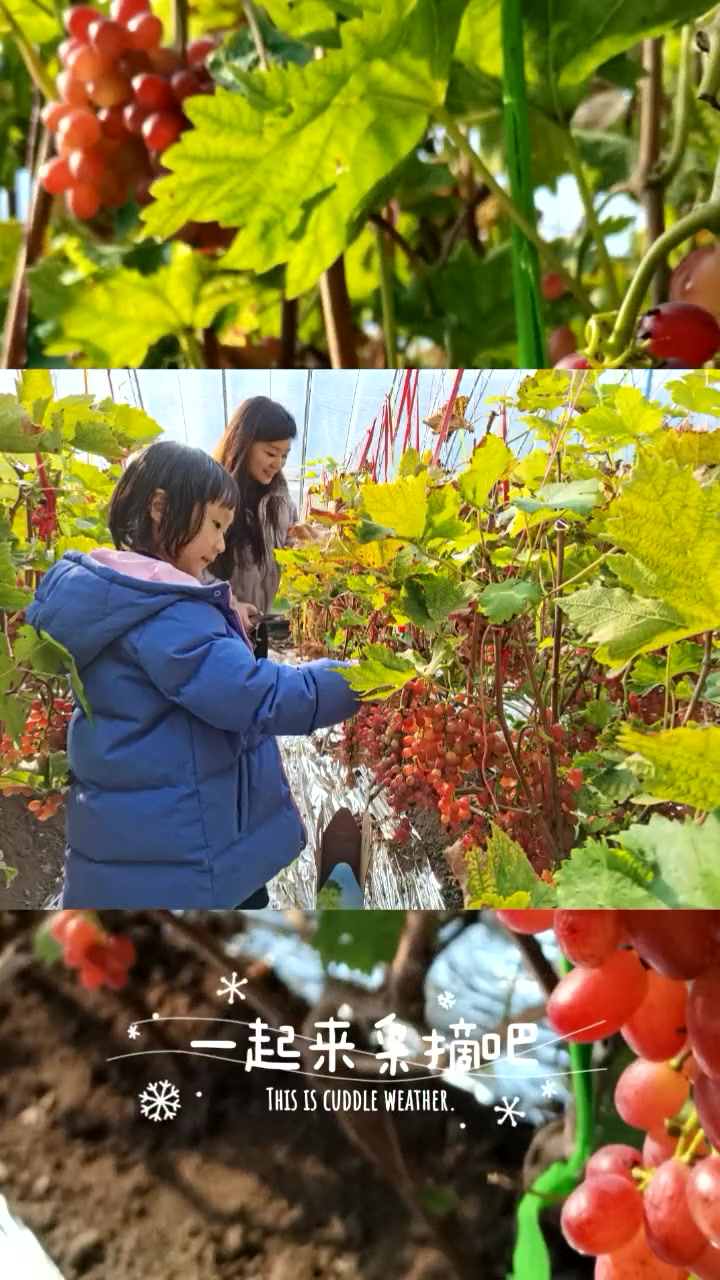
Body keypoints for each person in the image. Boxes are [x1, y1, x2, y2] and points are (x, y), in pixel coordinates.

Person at [25, 441, 360, 910]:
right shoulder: (167, 615)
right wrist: (356, 680)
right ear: (161, 507)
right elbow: (251, 695)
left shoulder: (123, 596)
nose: (221, 543)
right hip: (190, 857)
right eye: (216, 525)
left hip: (146, 841)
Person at [213, 396, 299, 659]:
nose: (278, 463)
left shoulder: (281, 500)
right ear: (243, 444)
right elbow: (192, 565)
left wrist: (304, 545)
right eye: (271, 453)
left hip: (255, 625)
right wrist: (229, 604)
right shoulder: (212, 495)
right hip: (216, 625)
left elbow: (288, 545)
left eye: (284, 456)